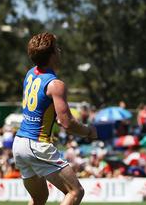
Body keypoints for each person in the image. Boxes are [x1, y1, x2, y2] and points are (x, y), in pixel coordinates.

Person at [12, 32, 97, 205]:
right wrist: (89, 131)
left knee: (39, 198)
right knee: (75, 192)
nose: (59, 51)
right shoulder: (55, 84)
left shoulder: (30, 74)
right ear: (51, 55)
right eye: (56, 48)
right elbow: (66, 123)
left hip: (20, 143)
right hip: (37, 144)